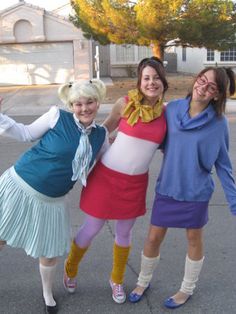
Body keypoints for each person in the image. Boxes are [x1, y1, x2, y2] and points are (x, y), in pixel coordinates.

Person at [63, 57, 168, 304]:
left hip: (134, 184)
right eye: (146, 78)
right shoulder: (125, 103)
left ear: (163, 81)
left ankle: (117, 279)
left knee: (124, 232)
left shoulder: (167, 113)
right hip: (106, 178)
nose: (151, 82)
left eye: (156, 78)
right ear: (140, 82)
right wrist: (79, 153)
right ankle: (70, 269)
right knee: (91, 229)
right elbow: (102, 130)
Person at [129, 66, 236, 309]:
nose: (203, 87)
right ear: (195, 79)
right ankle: (143, 281)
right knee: (153, 236)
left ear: (217, 95)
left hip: (196, 192)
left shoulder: (218, 124)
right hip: (168, 186)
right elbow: (153, 138)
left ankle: (187, 289)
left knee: (193, 238)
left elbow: (223, 165)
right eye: (202, 79)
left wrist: (234, 201)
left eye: (212, 86)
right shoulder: (173, 109)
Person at [0, 79, 108, 314]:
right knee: (0, 237)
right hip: (21, 185)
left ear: (98, 103)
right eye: (78, 104)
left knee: (49, 251)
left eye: (89, 102)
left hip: (53, 200)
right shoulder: (56, 116)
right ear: (70, 105)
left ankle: (47, 293)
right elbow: (25, 133)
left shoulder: (101, 135)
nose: (84, 108)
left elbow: (108, 166)